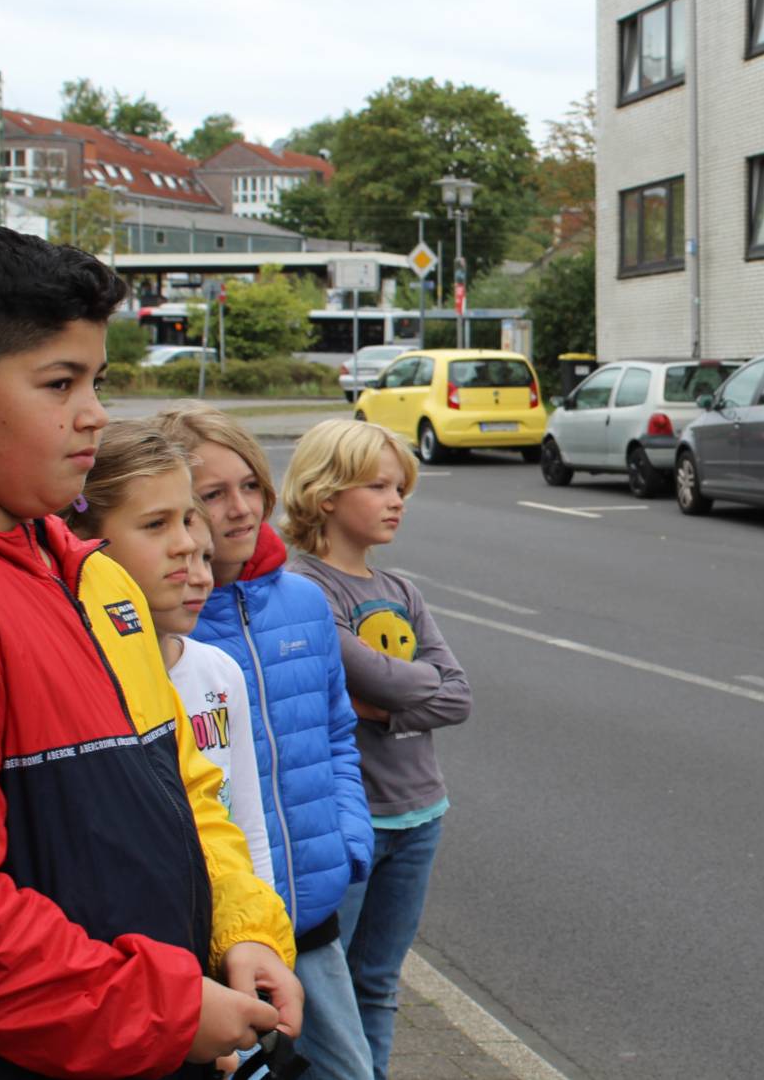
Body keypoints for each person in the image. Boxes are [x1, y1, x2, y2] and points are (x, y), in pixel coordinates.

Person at [0, 227, 300, 1079]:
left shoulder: (95, 579)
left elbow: (185, 787)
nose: (95, 414)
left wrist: (240, 929)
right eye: (59, 383)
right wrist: (167, 1009)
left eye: (96, 380)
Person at [155, 402, 377, 1080]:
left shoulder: (304, 601)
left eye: (250, 485)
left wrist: (347, 839)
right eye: (213, 494)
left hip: (309, 910)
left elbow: (338, 732)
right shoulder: (169, 627)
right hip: (214, 929)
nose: (241, 509)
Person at [282, 419, 472, 1080]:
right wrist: (399, 686)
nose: (397, 500)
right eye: (379, 485)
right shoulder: (305, 589)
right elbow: (394, 678)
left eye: (402, 487)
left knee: (379, 983)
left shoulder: (401, 591)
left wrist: (382, 706)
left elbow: (459, 695)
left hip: (420, 812)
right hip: (348, 821)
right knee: (324, 993)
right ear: (326, 492)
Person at [58, 422, 275, 887]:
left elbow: (246, 826)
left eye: (186, 524)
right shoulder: (69, 679)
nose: (183, 549)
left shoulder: (218, 673)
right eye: (157, 524)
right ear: (80, 537)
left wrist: (265, 934)